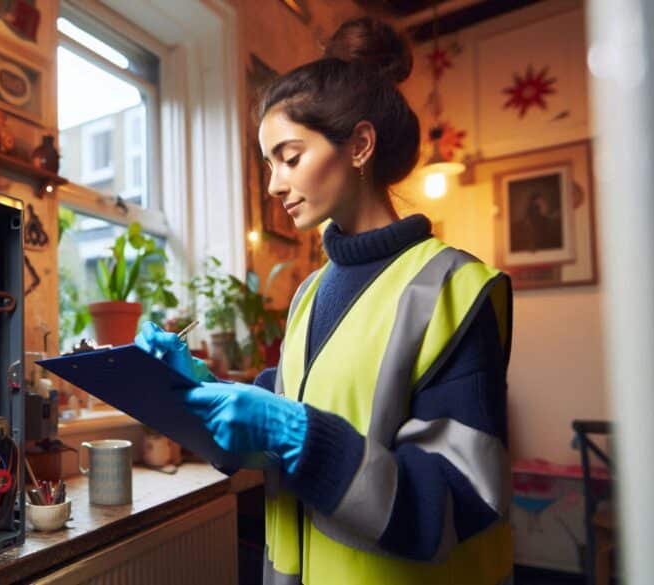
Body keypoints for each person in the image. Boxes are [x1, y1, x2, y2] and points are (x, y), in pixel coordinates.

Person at [136, 16, 513, 585]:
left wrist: (299, 435)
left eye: (289, 157)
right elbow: (279, 417)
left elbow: (458, 502)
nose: (273, 185)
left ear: (359, 145)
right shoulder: (310, 293)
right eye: (268, 165)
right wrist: (190, 384)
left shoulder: (455, 288)